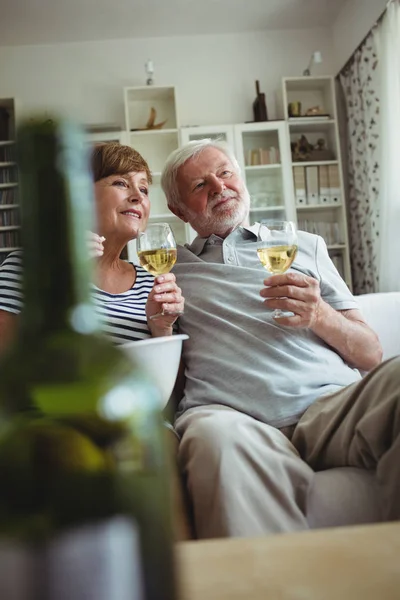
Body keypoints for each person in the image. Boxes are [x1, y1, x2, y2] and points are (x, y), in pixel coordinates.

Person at [160, 138, 400, 540]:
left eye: (225, 173)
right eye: (200, 186)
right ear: (177, 209)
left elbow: (371, 353)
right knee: (213, 439)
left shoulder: (304, 246)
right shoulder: (170, 272)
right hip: (233, 417)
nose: (219, 188)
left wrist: (320, 314)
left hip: (331, 409)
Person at [0, 142, 184, 355]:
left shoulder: (152, 285)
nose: (138, 196)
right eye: (121, 183)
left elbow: (172, 383)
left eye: (143, 188)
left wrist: (161, 330)